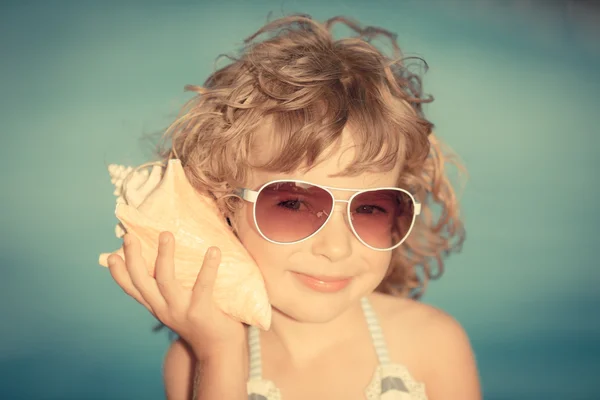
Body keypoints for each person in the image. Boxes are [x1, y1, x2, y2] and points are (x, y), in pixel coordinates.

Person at [106, 14, 481, 400]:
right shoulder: (195, 363)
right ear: (223, 203)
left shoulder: (431, 345)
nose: (336, 248)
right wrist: (220, 353)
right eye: (294, 204)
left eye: (369, 209)